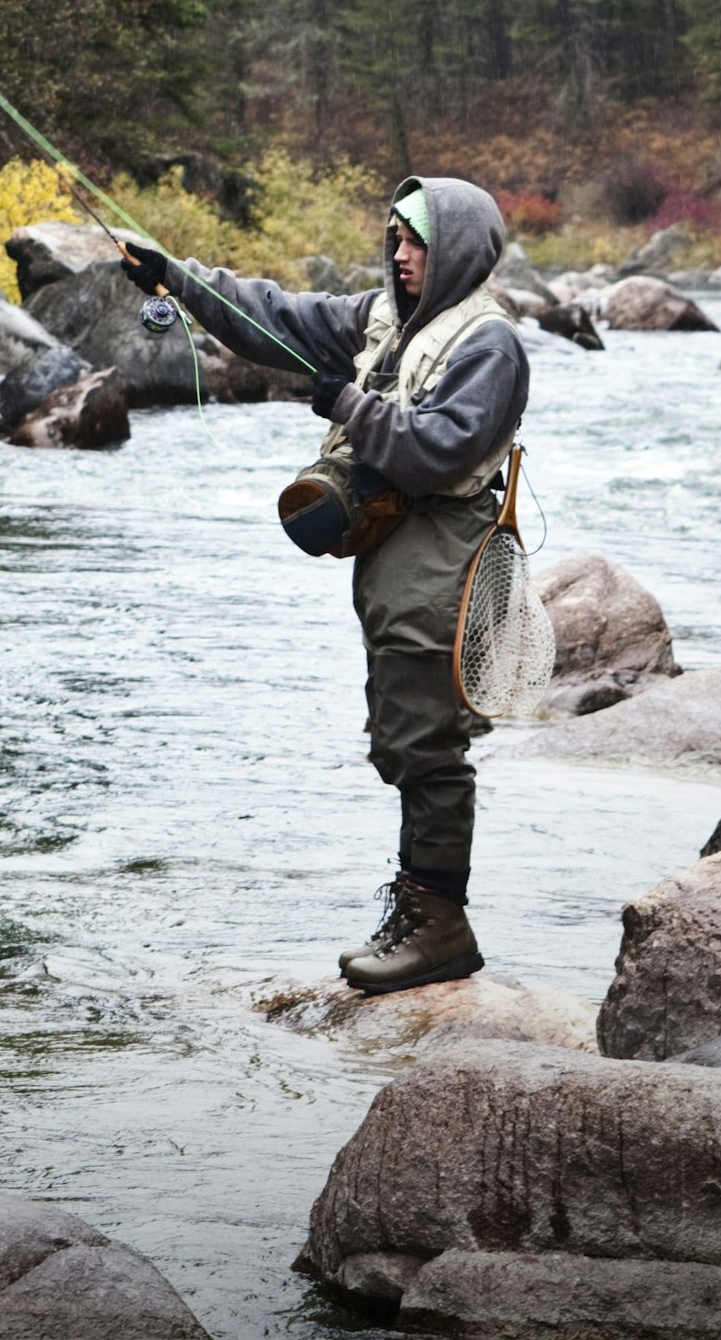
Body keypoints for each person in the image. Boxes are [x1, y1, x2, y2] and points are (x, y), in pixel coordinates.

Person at [116, 176, 528, 993]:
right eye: (397, 240)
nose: (401, 256)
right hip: (398, 544)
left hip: (447, 539)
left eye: (417, 244)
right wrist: (177, 278)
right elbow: (274, 317)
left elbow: (441, 448)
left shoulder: (490, 344)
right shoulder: (381, 319)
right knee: (400, 727)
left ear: (456, 253)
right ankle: (418, 910)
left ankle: (439, 924)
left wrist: (348, 403)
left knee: (427, 739)